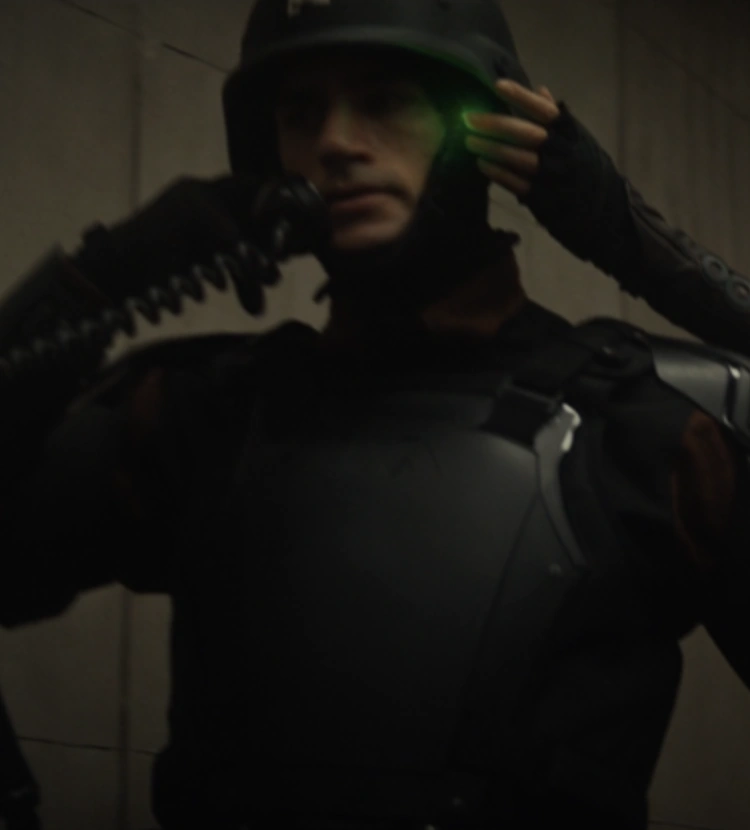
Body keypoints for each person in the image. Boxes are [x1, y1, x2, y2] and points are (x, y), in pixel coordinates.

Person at [0, 1, 749, 829]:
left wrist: (631, 236)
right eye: (301, 112)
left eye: (385, 100)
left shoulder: (652, 425)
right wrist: (99, 278)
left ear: (482, 128)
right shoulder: (200, 411)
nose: (335, 142)